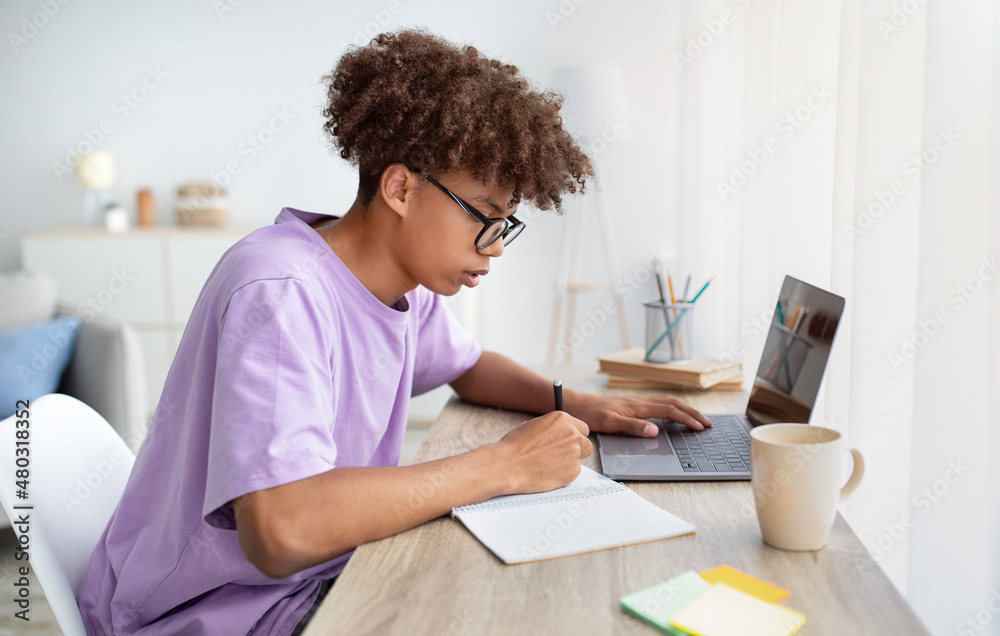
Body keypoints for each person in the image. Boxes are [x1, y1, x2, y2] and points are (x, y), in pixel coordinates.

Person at [78, 28, 711, 635]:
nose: (494, 248)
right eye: (484, 218)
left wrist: (578, 403)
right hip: (220, 610)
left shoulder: (396, 282)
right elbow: (281, 532)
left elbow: (465, 365)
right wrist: (502, 464)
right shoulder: (282, 292)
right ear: (401, 187)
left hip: (308, 579)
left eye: (506, 226)